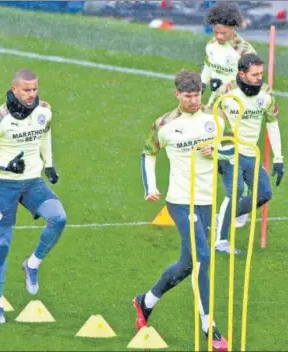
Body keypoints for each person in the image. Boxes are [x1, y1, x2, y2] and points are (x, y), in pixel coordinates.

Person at [135, 70, 232, 351]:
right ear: (177, 94)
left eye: (197, 95)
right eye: (188, 96)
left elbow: (232, 148)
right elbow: (148, 153)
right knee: (204, 256)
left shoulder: (215, 117)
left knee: (188, 265)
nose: (193, 100)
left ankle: (146, 301)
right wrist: (150, 187)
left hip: (207, 200)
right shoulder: (164, 125)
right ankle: (209, 326)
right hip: (180, 201)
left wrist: (217, 151)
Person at [0, 68, 67, 324]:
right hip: (4, 185)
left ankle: (32, 264)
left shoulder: (44, 110)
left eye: (35, 89)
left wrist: (48, 164)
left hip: (32, 182)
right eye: (27, 90)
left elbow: (45, 134)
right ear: (14, 89)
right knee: (2, 245)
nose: (32, 94)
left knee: (58, 219)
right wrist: (6, 165)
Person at [210, 54, 284, 254]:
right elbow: (209, 120)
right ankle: (221, 242)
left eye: (261, 73)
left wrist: (279, 159)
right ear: (241, 74)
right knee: (235, 192)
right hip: (229, 150)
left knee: (264, 194)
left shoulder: (266, 94)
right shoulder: (225, 92)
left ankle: (223, 217)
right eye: (254, 74)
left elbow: (273, 124)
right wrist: (215, 150)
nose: (259, 78)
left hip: (252, 152)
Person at [201, 2, 257, 228]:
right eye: (215, 31)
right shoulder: (212, 45)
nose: (219, 36)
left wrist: (225, 85)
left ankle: (239, 207)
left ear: (233, 28)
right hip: (216, 104)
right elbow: (207, 66)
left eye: (223, 32)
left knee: (234, 155)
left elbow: (248, 80)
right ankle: (218, 201)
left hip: (238, 107)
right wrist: (203, 84)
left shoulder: (245, 52)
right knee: (212, 152)